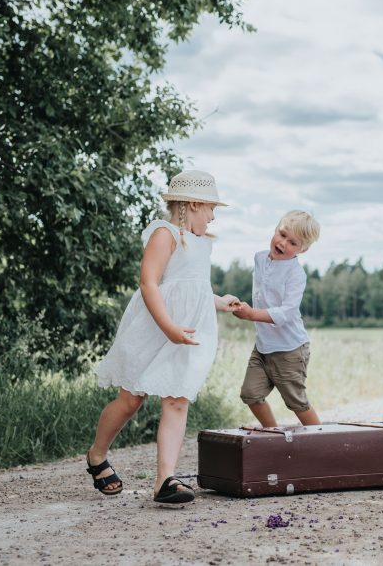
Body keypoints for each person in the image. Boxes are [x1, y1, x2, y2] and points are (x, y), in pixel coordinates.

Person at [89, 170, 239, 503]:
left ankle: (164, 480)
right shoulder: (165, 233)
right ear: (194, 204)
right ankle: (97, 455)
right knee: (130, 400)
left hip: (185, 334)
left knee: (176, 400)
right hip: (156, 329)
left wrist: (219, 301)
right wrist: (168, 326)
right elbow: (150, 283)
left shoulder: (202, 245)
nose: (214, 217)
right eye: (211, 209)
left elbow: (194, 290)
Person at [234, 210, 322, 427]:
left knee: (296, 402)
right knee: (250, 394)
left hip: (289, 349)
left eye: (293, 242)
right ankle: (273, 434)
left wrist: (251, 315)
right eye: (282, 235)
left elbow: (286, 313)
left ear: (303, 249)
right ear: (275, 229)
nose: (283, 243)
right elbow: (262, 294)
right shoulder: (259, 258)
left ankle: (322, 441)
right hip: (263, 347)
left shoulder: (295, 274)